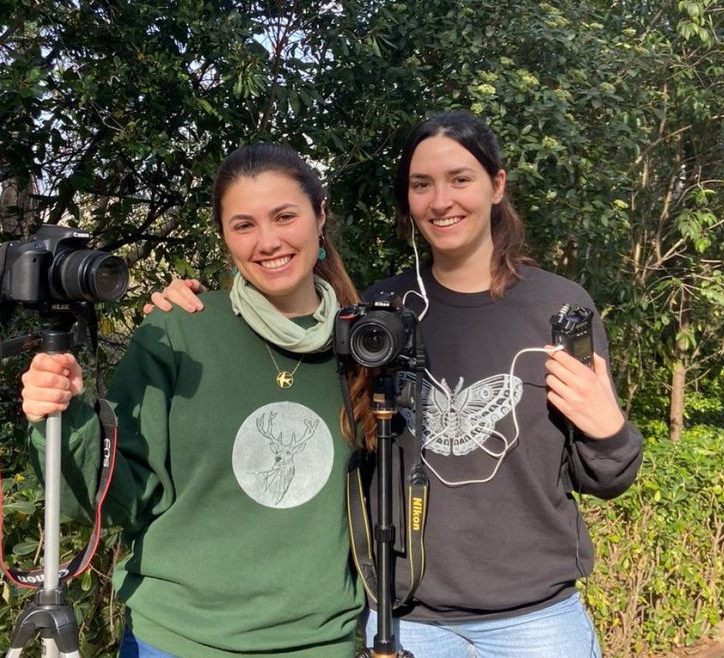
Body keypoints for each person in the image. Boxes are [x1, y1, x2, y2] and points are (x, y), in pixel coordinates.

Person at [148, 110, 643, 657]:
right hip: (408, 621)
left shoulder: (557, 308)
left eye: (460, 179)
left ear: (497, 185)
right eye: (421, 184)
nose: (441, 200)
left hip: (535, 620)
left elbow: (603, 475)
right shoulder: (383, 313)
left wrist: (612, 433)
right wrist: (184, 313)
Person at [20, 143, 369, 658]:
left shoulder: (365, 345)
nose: (268, 241)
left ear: (320, 217)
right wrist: (62, 415)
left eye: (285, 216)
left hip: (321, 642)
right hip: (178, 640)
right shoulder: (179, 330)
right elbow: (113, 497)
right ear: (225, 238)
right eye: (243, 225)